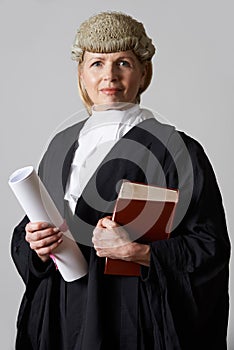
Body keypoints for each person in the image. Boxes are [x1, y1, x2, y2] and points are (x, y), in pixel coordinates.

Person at [11, 11, 230, 350]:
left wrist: (139, 252)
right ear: (81, 74)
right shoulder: (61, 145)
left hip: (132, 323)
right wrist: (35, 245)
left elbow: (209, 246)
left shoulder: (176, 150)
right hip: (61, 319)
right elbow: (32, 225)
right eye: (96, 63)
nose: (109, 75)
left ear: (144, 72)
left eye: (123, 62)